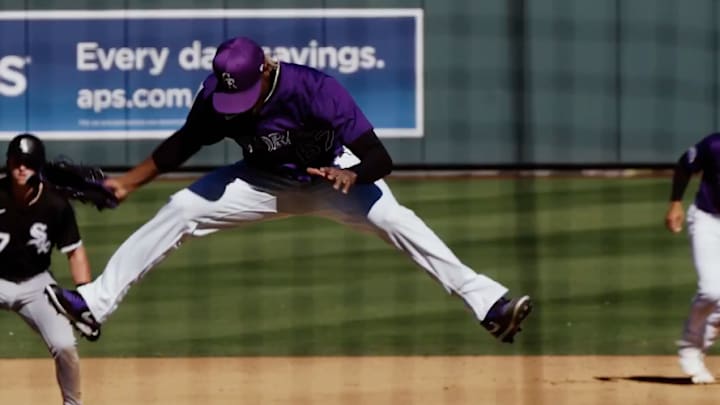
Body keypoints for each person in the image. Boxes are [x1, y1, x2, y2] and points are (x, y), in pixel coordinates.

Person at [45, 36, 532, 344]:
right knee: (180, 209)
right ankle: (95, 305)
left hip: (332, 178)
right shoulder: (217, 98)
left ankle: (490, 305)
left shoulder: (316, 88)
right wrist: (127, 183)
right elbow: (183, 143)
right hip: (261, 181)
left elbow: (381, 158)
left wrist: (355, 176)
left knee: (395, 220)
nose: (235, 105)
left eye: (243, 94)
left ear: (266, 70)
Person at [1, 133, 94, 405]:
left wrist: (85, 298)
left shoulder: (55, 204)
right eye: (17, 161)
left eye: (28, 163)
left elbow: (75, 252)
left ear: (38, 167)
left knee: (65, 345)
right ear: (8, 162)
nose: (21, 168)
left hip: (36, 285)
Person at [665, 132, 720, 384]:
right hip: (707, 221)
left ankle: (698, 349)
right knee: (711, 291)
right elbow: (684, 164)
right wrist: (675, 202)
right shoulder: (714, 144)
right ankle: (689, 345)